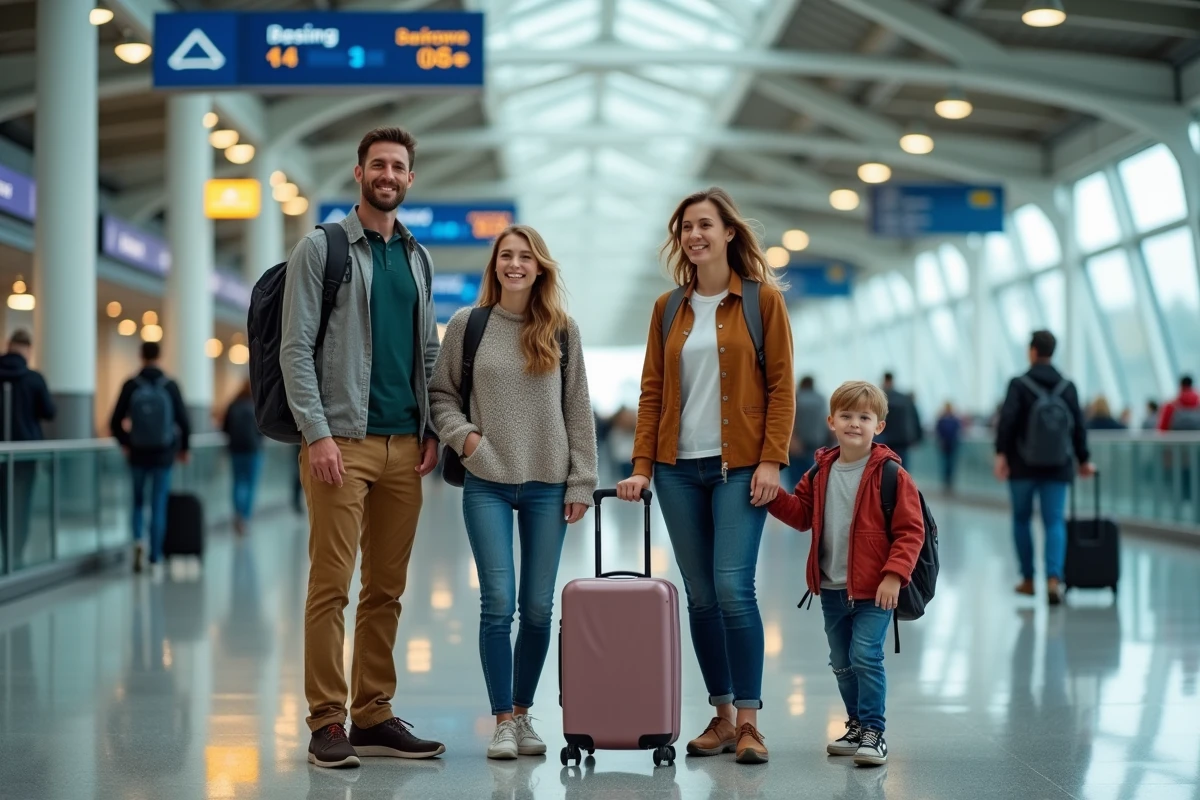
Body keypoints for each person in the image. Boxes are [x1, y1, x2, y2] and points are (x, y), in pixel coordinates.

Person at [280, 126, 444, 769]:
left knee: (387, 589)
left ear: (410, 179)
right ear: (358, 173)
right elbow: (295, 348)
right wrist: (317, 433)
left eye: (399, 166)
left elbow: (427, 351)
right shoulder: (322, 248)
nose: (388, 174)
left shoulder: (418, 257)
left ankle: (373, 713)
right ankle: (327, 721)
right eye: (378, 164)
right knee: (331, 586)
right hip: (340, 444)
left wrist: (432, 427)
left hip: (405, 446)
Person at [616, 187, 794, 765]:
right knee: (699, 598)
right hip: (675, 470)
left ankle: (750, 722)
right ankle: (719, 718)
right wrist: (641, 467)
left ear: (729, 233)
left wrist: (771, 458)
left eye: (704, 225)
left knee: (732, 590)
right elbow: (652, 393)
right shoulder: (669, 308)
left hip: (739, 468)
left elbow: (781, 387)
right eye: (686, 228)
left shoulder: (761, 302)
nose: (694, 235)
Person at [430, 224, 598, 760]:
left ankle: (524, 715)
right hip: (487, 482)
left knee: (539, 607)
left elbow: (578, 409)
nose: (515, 264)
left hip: (549, 484)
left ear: (539, 266)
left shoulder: (562, 330)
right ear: (494, 265)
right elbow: (441, 396)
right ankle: (501, 719)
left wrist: (582, 481)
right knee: (498, 602)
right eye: (506, 255)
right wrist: (468, 439)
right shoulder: (468, 325)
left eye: (525, 256)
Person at [767, 381, 925, 767]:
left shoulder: (891, 475)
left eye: (864, 417)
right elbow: (801, 514)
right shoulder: (821, 472)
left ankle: (874, 730)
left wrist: (894, 575)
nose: (855, 423)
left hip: (875, 590)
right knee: (841, 660)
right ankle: (856, 724)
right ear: (831, 421)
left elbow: (910, 530)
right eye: (847, 416)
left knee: (865, 656)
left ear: (879, 426)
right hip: (833, 588)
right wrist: (771, 496)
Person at [994, 330, 1094, 605]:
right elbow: (1078, 427)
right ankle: (1053, 579)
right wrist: (1083, 459)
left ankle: (1028, 580)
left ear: (1032, 351)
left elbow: (1008, 422)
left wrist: (1001, 454)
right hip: (1058, 466)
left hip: (1022, 466)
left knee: (1022, 520)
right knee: (1054, 522)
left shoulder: (1018, 384)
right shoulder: (1067, 386)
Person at [110, 341, 191, 574]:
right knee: (158, 504)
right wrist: (183, 449)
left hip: (137, 454)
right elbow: (184, 422)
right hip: (164, 455)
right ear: (160, 356)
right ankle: (155, 557)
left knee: (137, 501)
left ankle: (138, 540)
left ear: (140, 355)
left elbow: (115, 422)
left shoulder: (131, 385)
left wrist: (127, 442)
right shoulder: (170, 385)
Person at [0, 329, 55, 570]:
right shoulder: (34, 379)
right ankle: (16, 554)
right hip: (25, 454)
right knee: (21, 505)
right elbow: (49, 411)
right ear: (29, 350)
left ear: (8, 345)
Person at [222, 380, 263, 535]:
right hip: (253, 450)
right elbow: (262, 430)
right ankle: (245, 518)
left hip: (235, 449)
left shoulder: (233, 405)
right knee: (251, 484)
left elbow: (225, 428)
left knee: (238, 482)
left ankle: (237, 514)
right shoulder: (255, 406)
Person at [791, 375, 830, 487]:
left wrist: (793, 439)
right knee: (813, 478)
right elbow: (825, 420)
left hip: (797, 444)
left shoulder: (797, 397)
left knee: (796, 481)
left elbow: (792, 420)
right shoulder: (821, 399)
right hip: (817, 442)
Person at [875, 372, 921, 464]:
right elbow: (915, 419)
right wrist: (917, 437)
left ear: (884, 380)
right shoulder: (905, 398)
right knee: (902, 467)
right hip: (902, 439)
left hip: (886, 439)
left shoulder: (880, 398)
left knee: (885, 466)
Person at [934, 402, 962, 492]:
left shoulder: (945, 420)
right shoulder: (947, 419)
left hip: (951, 445)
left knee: (950, 464)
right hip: (947, 445)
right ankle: (946, 481)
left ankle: (948, 481)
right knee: (946, 464)